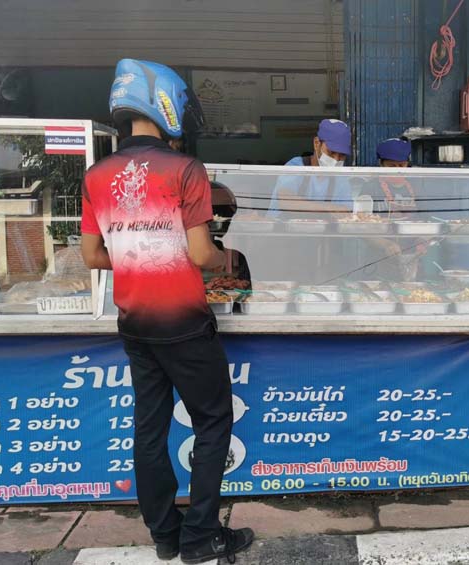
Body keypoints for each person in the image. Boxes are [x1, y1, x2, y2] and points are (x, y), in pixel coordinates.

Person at [80, 58, 253, 564]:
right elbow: (200, 254)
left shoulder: (96, 175)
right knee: (213, 421)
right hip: (184, 324)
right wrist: (227, 257)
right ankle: (201, 537)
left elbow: (92, 255)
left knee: (149, 429)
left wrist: (137, 254)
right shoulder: (185, 169)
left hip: (135, 323)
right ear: (166, 104)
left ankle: (164, 535)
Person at [267, 118, 353, 215]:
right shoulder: (296, 165)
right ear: (316, 143)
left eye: (342, 155)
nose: (336, 160)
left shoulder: (340, 178)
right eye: (331, 152)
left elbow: (346, 211)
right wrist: (328, 208)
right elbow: (286, 202)